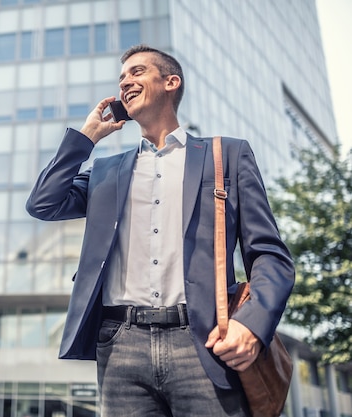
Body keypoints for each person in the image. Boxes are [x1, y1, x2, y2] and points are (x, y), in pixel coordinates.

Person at [26, 44, 295, 416]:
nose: (125, 82)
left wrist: (251, 325)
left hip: (203, 342)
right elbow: (43, 202)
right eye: (121, 77)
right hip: (120, 346)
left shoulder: (226, 155)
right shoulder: (107, 171)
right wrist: (85, 139)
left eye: (136, 72)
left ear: (171, 82)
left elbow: (269, 255)